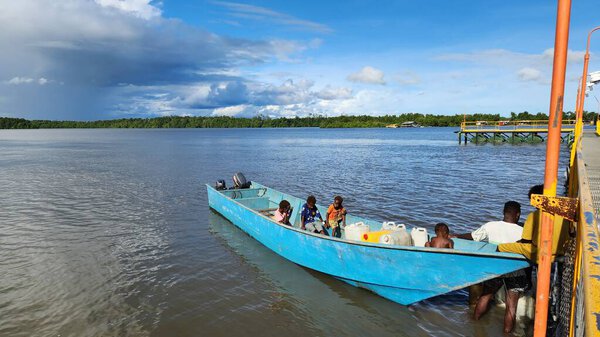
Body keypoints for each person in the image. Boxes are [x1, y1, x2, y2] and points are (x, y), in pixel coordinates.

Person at [453, 201, 529, 334]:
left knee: (485, 296)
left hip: (495, 269)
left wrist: (457, 236)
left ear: (504, 212)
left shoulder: (491, 226)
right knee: (511, 307)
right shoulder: (523, 231)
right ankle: (506, 333)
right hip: (515, 270)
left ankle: (475, 323)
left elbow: (473, 237)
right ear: (518, 215)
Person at [497, 184, 570, 263]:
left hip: (540, 253)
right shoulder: (564, 214)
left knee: (502, 247)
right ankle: (554, 258)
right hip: (561, 250)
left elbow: (526, 241)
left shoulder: (533, 215)